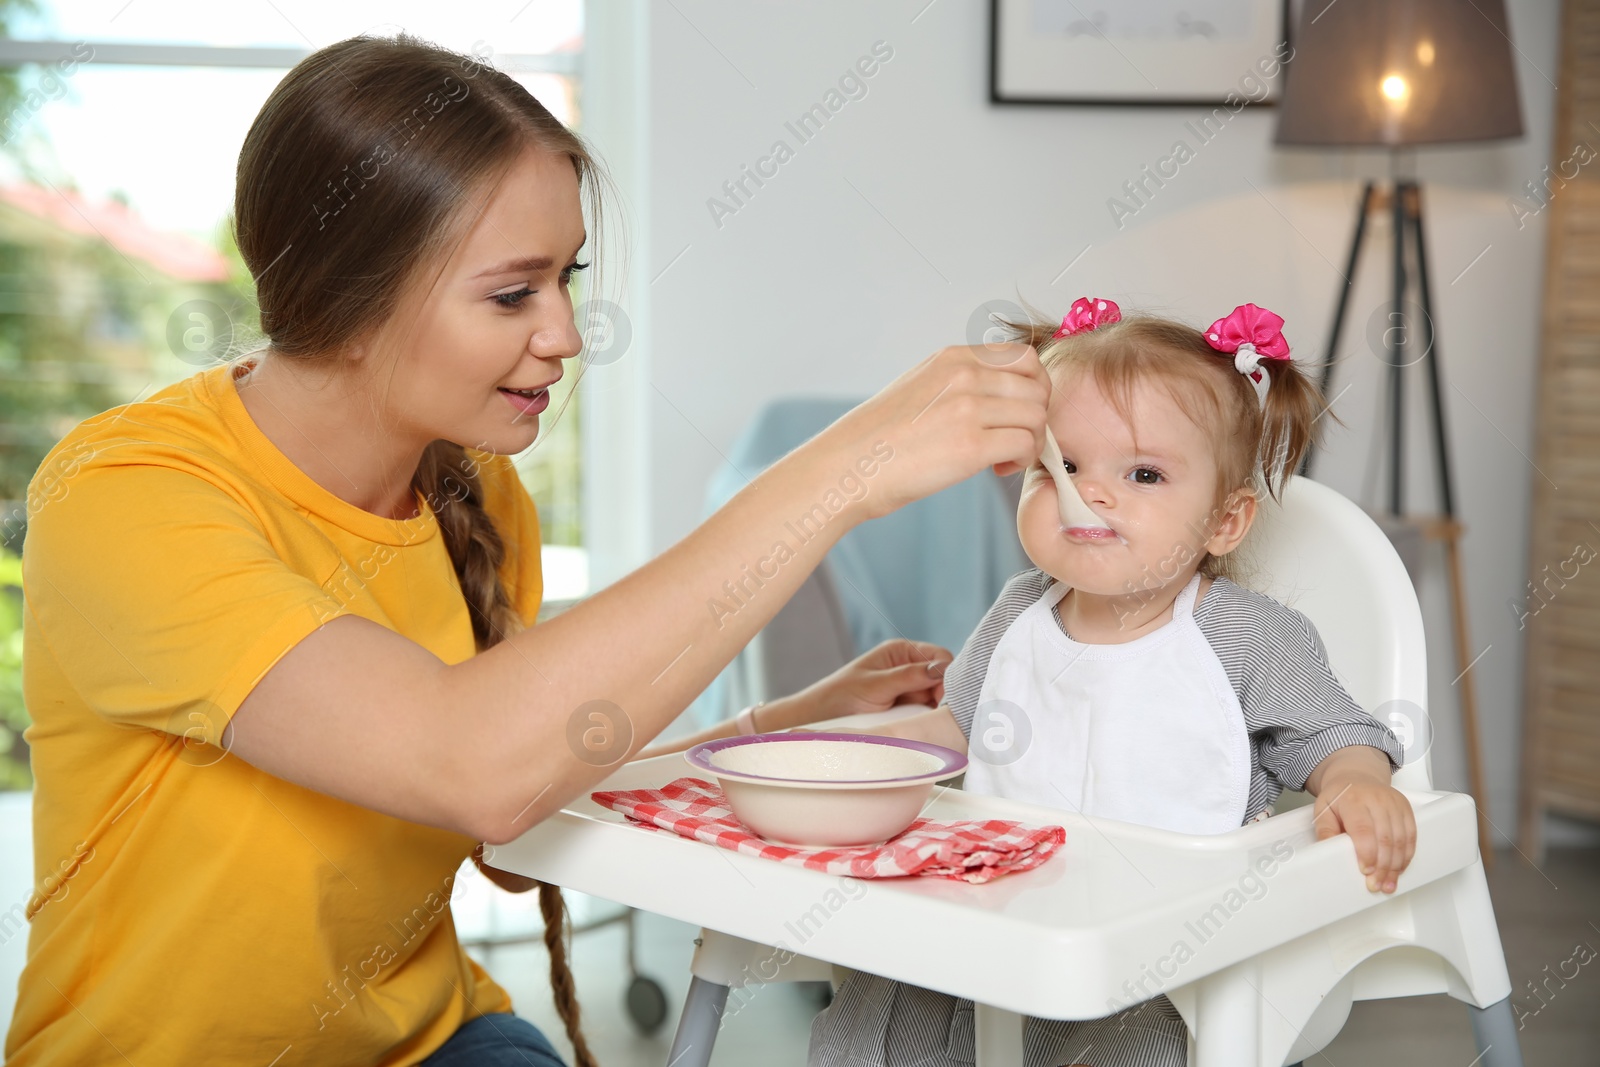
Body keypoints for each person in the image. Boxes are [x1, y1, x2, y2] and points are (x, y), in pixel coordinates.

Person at [3, 34, 1051, 1067]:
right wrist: (840, 472)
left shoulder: (478, 491)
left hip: (430, 1040)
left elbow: (523, 796)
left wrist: (780, 727)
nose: (566, 328)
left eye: (566, 277)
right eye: (513, 293)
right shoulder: (126, 497)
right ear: (348, 296)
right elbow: (472, 764)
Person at [807, 298, 1416, 1067]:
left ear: (1225, 522)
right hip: (1001, 912)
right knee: (886, 1002)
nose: (1090, 492)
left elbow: (1334, 733)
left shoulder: (1240, 635)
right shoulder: (1018, 612)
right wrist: (856, 758)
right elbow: (951, 732)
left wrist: (1356, 783)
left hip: (1164, 953)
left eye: (1144, 473)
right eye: (1059, 466)